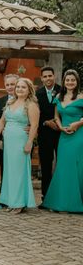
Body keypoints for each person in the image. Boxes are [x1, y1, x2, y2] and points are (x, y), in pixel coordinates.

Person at [0, 78, 39, 213]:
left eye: (23, 87)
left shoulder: (31, 105)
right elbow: (2, 121)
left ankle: (19, 203)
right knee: (9, 172)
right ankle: (10, 201)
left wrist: (29, 142)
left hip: (21, 141)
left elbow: (34, 125)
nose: (19, 89)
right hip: (8, 142)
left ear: (29, 89)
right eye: (18, 87)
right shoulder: (10, 102)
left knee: (19, 172)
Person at [42, 70, 83, 213]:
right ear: (64, 82)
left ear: (77, 82)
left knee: (77, 166)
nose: (70, 82)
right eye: (67, 80)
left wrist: (77, 124)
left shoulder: (81, 96)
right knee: (63, 166)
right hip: (64, 136)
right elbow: (56, 116)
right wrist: (60, 128)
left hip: (78, 135)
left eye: (73, 80)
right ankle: (62, 202)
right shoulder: (59, 97)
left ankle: (77, 202)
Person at [36, 66, 62, 203]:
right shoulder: (37, 94)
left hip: (61, 134)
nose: (48, 79)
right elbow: (34, 114)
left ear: (54, 76)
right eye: (45, 76)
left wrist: (58, 123)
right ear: (42, 79)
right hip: (44, 134)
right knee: (46, 166)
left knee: (62, 164)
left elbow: (67, 109)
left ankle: (60, 196)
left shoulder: (62, 91)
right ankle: (46, 197)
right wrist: (46, 122)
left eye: (50, 76)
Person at [0, 74, 19, 182]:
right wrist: (1, 131)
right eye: (7, 85)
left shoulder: (26, 100)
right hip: (4, 139)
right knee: (4, 167)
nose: (10, 87)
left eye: (13, 84)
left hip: (20, 139)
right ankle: (4, 195)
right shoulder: (0, 101)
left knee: (18, 168)